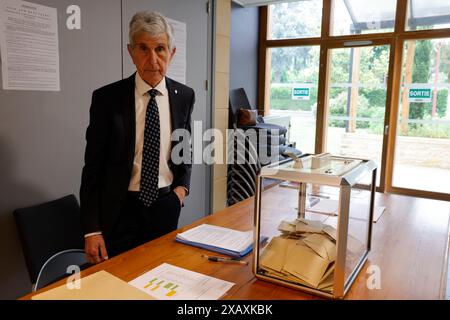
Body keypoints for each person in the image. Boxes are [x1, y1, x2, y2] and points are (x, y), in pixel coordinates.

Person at [80, 11, 195, 264]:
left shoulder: (184, 96)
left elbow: (185, 149)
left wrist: (181, 190)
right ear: (131, 52)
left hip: (165, 206)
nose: (152, 59)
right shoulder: (107, 99)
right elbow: (92, 168)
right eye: (143, 48)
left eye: (160, 49)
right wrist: (92, 228)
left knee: (162, 278)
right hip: (120, 212)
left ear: (171, 53)